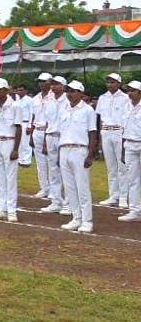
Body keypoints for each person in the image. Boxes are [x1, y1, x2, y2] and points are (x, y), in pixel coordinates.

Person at [56, 80, 98, 233]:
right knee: (69, 187)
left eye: (73, 91)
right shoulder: (63, 109)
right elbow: (62, 131)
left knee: (82, 187)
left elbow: (92, 132)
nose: (70, 94)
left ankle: (87, 220)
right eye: (68, 91)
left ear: (81, 93)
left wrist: (91, 154)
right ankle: (76, 217)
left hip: (79, 150)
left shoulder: (87, 110)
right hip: (64, 149)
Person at [0, 78, 22, 222]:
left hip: (9, 142)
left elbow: (18, 127)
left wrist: (15, 149)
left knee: (10, 178)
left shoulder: (15, 105)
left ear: (6, 90)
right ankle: (1, 209)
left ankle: (12, 211)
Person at [96, 72, 129, 208]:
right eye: (108, 82)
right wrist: (99, 136)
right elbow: (99, 118)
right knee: (110, 166)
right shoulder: (102, 98)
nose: (110, 84)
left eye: (113, 82)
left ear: (119, 83)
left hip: (119, 131)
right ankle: (113, 195)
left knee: (122, 166)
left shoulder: (125, 98)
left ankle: (123, 197)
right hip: (106, 131)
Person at [42, 76, 71, 215]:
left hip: (62, 136)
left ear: (63, 86)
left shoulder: (68, 100)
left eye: (57, 84)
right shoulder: (49, 99)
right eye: (52, 84)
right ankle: (56, 201)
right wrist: (44, 140)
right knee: (53, 170)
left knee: (65, 170)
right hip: (50, 136)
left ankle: (69, 203)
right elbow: (47, 121)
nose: (53, 87)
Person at [28, 73, 54, 200]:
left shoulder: (54, 97)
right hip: (37, 130)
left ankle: (54, 190)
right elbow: (33, 117)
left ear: (50, 82)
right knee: (40, 162)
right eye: (39, 81)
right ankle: (44, 188)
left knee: (52, 162)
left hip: (49, 131)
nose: (41, 84)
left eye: (44, 81)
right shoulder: (35, 98)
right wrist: (32, 133)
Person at [118, 80, 141, 222]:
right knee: (132, 179)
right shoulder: (125, 107)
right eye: (128, 90)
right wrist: (122, 149)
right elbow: (123, 129)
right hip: (129, 145)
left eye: (133, 90)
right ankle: (134, 210)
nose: (130, 93)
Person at [14, 85, 34, 167]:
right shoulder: (16, 100)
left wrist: (30, 125)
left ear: (25, 91)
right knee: (19, 143)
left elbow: (32, 113)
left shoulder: (29, 100)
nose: (19, 92)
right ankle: (20, 160)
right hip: (18, 123)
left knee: (26, 143)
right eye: (18, 90)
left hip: (26, 123)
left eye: (21, 90)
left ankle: (26, 161)